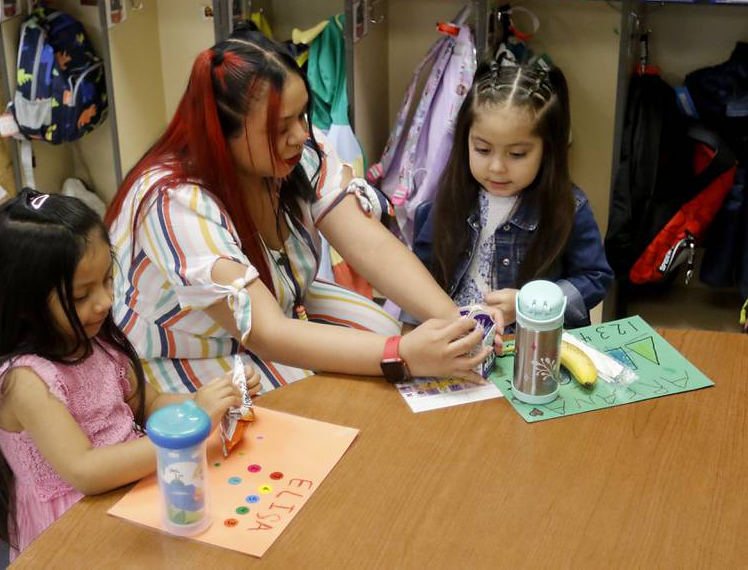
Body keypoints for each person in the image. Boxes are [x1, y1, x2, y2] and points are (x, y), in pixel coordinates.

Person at [105, 26, 503, 396]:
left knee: (382, 329)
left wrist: (460, 324)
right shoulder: (175, 201)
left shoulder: (296, 157)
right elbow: (266, 332)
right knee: (317, 394)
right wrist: (402, 355)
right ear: (223, 132)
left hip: (282, 306)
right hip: (192, 350)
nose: (301, 135)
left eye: (302, 115)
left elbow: (371, 246)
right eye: (281, 127)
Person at [0, 190, 261, 561]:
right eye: (81, 295)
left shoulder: (99, 342)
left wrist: (211, 401)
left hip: (130, 495)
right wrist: (195, 425)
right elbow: (86, 469)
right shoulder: (25, 381)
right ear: (24, 303)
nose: (105, 302)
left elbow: (150, 404)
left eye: (107, 280)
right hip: (74, 534)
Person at [408, 64, 614, 330]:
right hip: (460, 339)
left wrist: (530, 304)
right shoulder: (449, 201)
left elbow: (595, 278)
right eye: (482, 149)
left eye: (516, 154)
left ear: (547, 151)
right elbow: (418, 278)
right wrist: (411, 334)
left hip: (532, 347)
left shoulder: (569, 207)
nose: (496, 167)